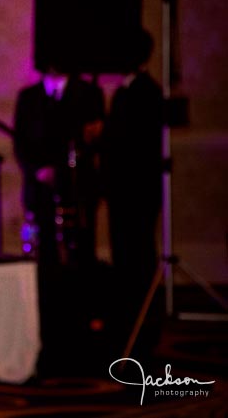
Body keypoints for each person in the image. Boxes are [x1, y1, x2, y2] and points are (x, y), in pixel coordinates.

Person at [13, 66, 105, 376]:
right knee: (46, 266)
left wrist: (63, 173)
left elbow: (91, 143)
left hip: (76, 194)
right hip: (41, 194)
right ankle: (49, 339)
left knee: (80, 264)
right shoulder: (29, 97)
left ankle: (81, 339)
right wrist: (38, 171)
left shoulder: (88, 93)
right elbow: (21, 143)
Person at [100, 28, 164, 359]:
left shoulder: (147, 93)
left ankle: (143, 326)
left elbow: (136, 148)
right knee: (125, 258)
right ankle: (128, 322)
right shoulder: (125, 92)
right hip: (122, 192)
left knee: (138, 258)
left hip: (137, 193)